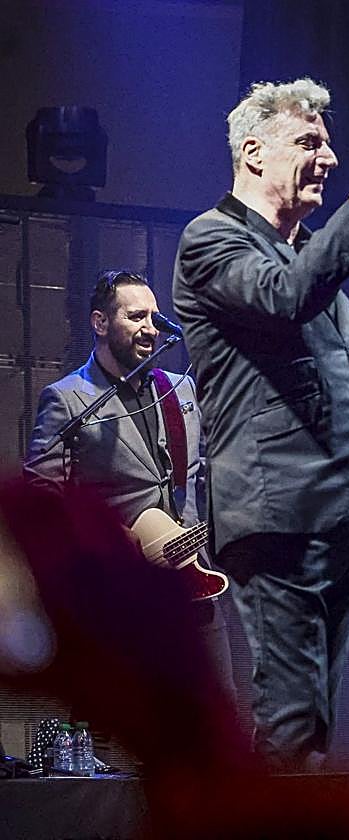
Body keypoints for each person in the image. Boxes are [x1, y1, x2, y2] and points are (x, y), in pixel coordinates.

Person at [172, 77, 349, 769]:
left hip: (342, 515)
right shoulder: (209, 240)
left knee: (314, 723)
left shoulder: (306, 250)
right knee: (291, 723)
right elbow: (284, 299)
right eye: (309, 142)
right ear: (253, 152)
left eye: (330, 144)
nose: (331, 158)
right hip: (278, 517)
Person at [23, 269, 235, 699]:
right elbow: (41, 499)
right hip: (120, 594)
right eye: (137, 317)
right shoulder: (68, 398)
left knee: (218, 715)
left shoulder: (180, 390)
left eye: (156, 318)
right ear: (100, 323)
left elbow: (216, 466)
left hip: (191, 583)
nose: (150, 329)